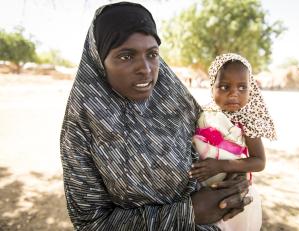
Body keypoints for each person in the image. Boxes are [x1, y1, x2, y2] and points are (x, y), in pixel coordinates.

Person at [60, 2, 251, 230]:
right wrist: (187, 213)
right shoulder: (81, 128)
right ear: (99, 61)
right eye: (126, 56)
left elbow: (214, 153)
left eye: (152, 54)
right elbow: (91, 222)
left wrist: (232, 180)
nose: (147, 69)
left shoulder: (176, 100)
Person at [189, 53, 277, 230]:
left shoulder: (247, 123)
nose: (234, 93)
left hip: (232, 191)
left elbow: (259, 162)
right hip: (201, 193)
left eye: (242, 87)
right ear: (212, 87)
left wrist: (220, 166)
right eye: (224, 86)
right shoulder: (203, 114)